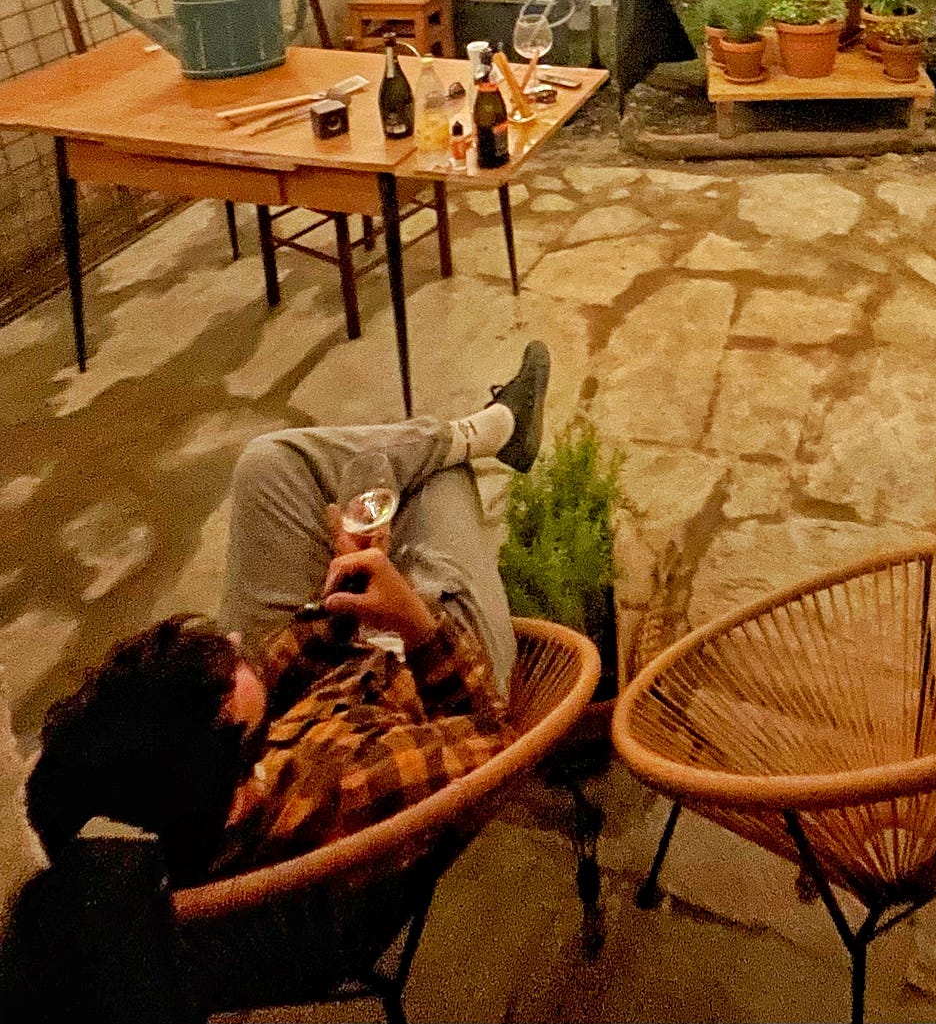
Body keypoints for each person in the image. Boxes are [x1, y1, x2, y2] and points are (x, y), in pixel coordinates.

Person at [24, 343, 551, 886]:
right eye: (233, 675)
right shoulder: (347, 789)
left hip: (341, 675)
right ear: (239, 785)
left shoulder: (195, 781)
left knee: (268, 464)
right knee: (440, 476)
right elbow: (496, 750)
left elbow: (287, 667)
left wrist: (346, 581)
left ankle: (473, 439)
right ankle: (491, 432)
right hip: (441, 679)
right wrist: (414, 623)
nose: (235, 647)